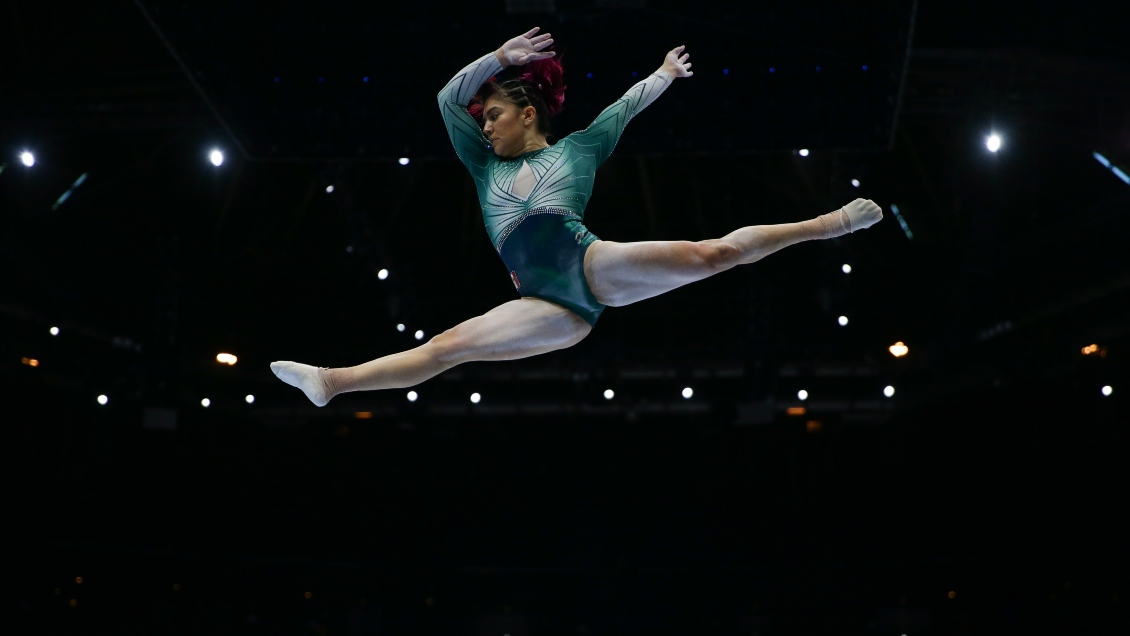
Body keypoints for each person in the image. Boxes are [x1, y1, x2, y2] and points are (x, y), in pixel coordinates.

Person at [271, 27, 883, 407]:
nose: (483, 126)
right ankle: (333, 382)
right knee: (448, 346)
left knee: (712, 254)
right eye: (482, 119)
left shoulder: (579, 149)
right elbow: (445, 99)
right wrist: (497, 56)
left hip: (591, 266)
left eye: (494, 116)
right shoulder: (483, 167)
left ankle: (830, 223)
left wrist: (664, 74)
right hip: (547, 307)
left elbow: (622, 109)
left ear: (527, 114)